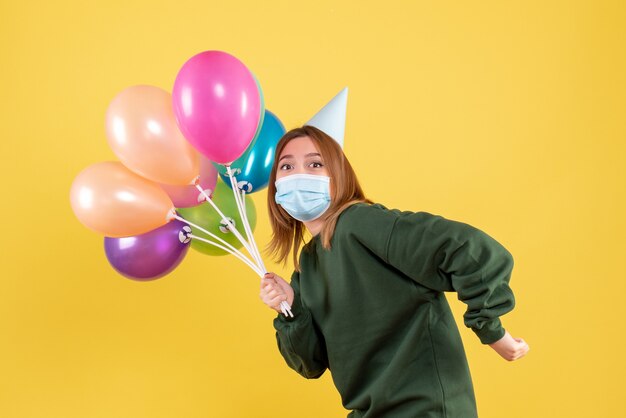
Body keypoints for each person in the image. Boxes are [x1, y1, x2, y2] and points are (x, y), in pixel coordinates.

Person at [260, 125, 529, 418]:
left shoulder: (360, 223)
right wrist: (289, 308)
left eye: (315, 164)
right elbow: (311, 364)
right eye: (287, 166)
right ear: (275, 184)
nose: (300, 175)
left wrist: (491, 330)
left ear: (338, 175)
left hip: (423, 410)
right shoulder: (308, 264)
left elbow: (468, 249)